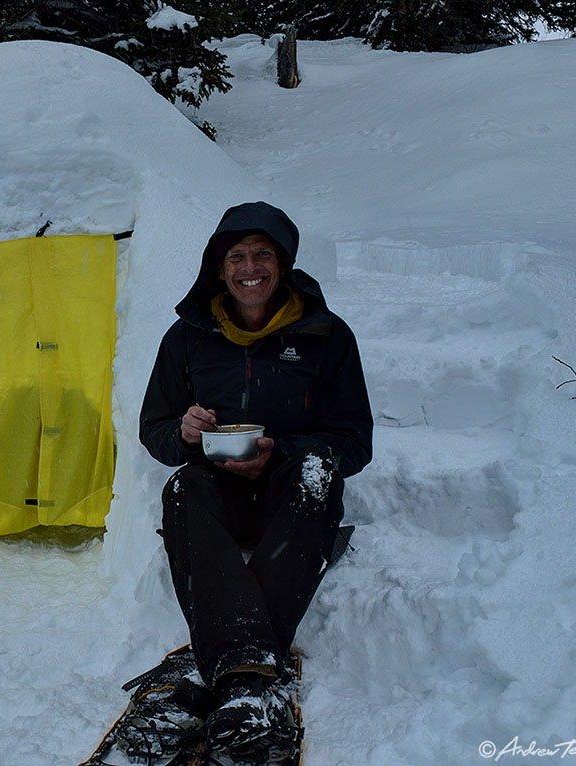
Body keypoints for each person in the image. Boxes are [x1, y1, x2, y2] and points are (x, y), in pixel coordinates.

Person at [137, 201, 373, 757]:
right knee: (182, 488)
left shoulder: (327, 336)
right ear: (217, 269)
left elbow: (354, 443)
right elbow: (156, 432)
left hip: (293, 496)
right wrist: (187, 433)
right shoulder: (187, 338)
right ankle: (248, 676)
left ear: (284, 263)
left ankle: (231, 671)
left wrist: (280, 454)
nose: (250, 267)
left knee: (314, 472)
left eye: (263, 254)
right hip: (222, 490)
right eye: (236, 256)